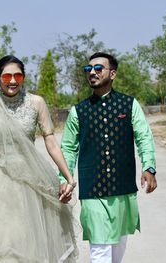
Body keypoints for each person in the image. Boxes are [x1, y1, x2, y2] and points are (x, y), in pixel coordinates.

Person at [0, 55, 78, 263]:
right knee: (3, 242)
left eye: (18, 75)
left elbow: (51, 142)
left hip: (32, 182)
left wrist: (68, 177)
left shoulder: (36, 103)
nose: (13, 81)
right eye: (7, 76)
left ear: (24, 77)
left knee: (32, 242)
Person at [59, 52, 157, 263]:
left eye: (98, 68)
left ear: (112, 74)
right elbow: (68, 148)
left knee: (117, 249)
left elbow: (144, 137)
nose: (92, 73)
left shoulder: (129, 104)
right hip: (93, 189)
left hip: (123, 188)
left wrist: (149, 167)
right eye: (88, 69)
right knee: (100, 250)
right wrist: (64, 179)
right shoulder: (79, 111)